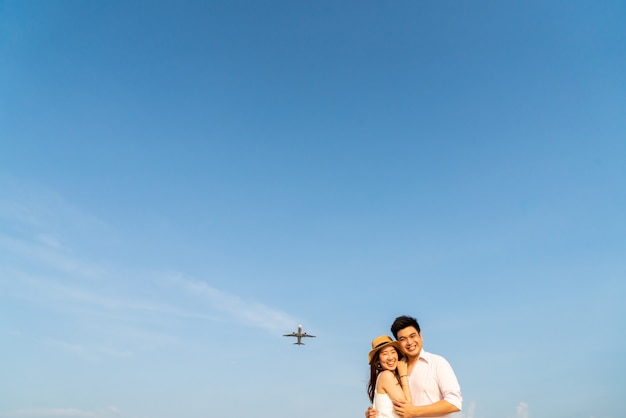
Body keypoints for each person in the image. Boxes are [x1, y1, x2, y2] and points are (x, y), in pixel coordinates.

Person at [366, 316, 462, 418]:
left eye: (412, 336)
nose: (409, 342)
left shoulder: (437, 363)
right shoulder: (395, 368)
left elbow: (454, 402)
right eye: (403, 339)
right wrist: (376, 412)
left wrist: (414, 411)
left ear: (420, 336)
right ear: (399, 343)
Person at [367, 335, 413, 418]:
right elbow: (408, 410)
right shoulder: (386, 376)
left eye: (393, 352)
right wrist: (403, 376)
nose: (390, 357)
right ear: (378, 360)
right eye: (385, 354)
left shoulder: (388, 377)